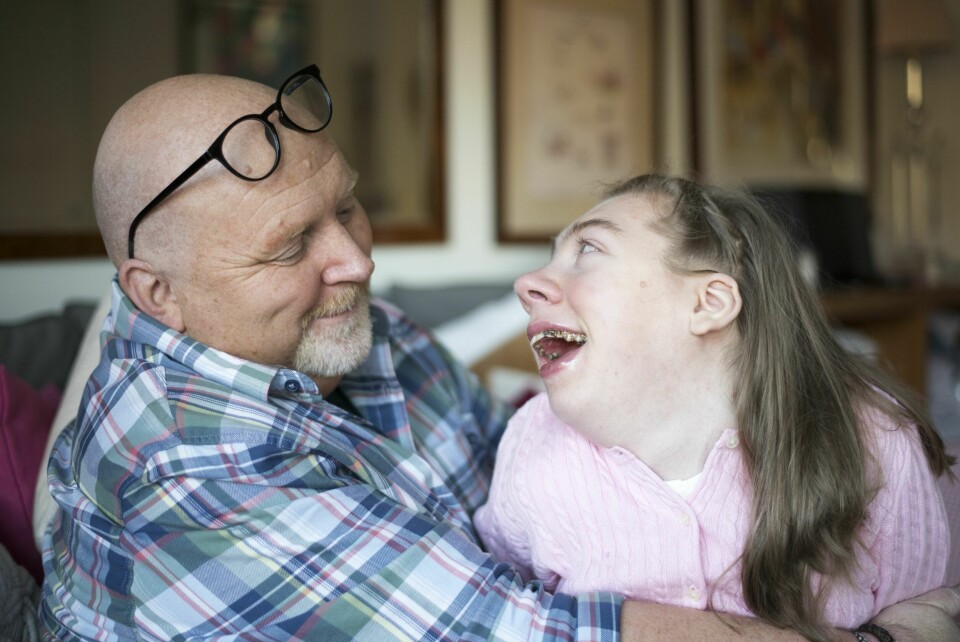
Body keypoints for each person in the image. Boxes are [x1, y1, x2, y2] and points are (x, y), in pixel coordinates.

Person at [37, 64, 958, 641]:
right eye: (289, 248)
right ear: (156, 295)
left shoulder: (343, 333)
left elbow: (503, 439)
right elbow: (518, 628)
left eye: (348, 206)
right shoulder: (183, 467)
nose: (357, 262)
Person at [474, 173, 956, 641]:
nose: (527, 284)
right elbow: (509, 616)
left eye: (587, 250)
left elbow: (922, 617)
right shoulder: (531, 449)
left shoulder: (876, 444)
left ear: (708, 303)